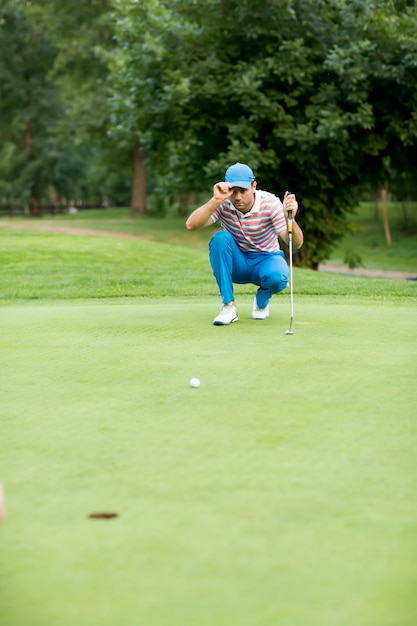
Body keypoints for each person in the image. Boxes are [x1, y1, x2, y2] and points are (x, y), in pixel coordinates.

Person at [185, 162, 303, 325]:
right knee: (220, 239)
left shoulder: (270, 203)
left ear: (254, 186)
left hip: (266, 260)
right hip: (237, 264)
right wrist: (215, 200)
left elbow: (295, 244)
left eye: (243, 191)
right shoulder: (224, 202)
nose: (238, 197)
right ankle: (229, 306)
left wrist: (289, 218)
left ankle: (262, 299)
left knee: (278, 278)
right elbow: (191, 225)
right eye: (234, 191)